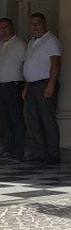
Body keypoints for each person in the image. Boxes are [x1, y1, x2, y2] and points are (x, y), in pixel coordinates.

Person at [22, 13, 61, 163]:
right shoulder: (31, 42)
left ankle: (53, 154)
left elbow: (56, 65)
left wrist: (51, 85)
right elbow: (29, 65)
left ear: (44, 24)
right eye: (31, 24)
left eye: (37, 23)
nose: (34, 27)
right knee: (33, 121)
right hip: (31, 86)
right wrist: (26, 86)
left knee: (47, 120)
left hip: (44, 84)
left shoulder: (51, 40)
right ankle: (40, 153)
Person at [0, 18, 26, 161]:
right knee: (5, 120)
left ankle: (19, 151)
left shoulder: (20, 44)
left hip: (14, 86)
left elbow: (26, 65)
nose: (3, 30)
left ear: (12, 27)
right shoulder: (2, 45)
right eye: (1, 28)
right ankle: (9, 149)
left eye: (6, 27)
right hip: (2, 86)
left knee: (16, 119)